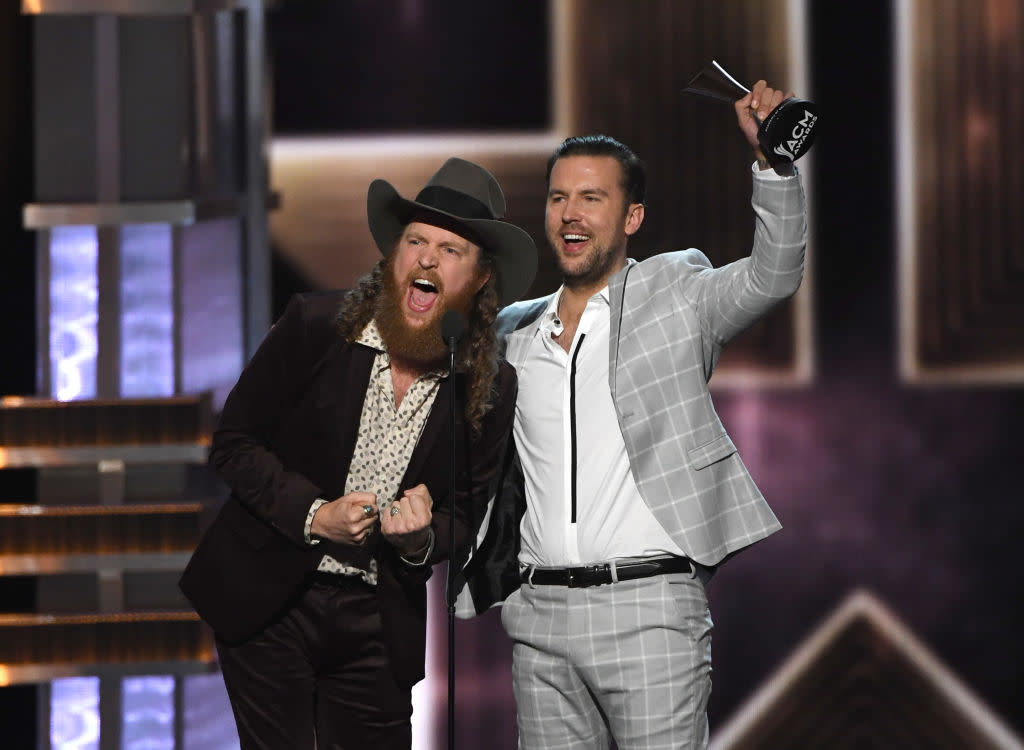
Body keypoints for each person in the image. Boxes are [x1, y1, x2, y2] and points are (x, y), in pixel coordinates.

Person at [459, 81, 808, 748]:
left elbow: (774, 274)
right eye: (560, 196)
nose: (571, 213)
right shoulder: (513, 333)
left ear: (632, 218)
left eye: (593, 197)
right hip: (538, 618)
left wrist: (774, 164)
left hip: (649, 610)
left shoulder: (678, 294)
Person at [179, 157, 537, 749]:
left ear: (479, 281)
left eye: (450, 251)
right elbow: (234, 442)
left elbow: (465, 517)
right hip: (272, 600)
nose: (426, 258)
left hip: (378, 618)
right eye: (415, 241)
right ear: (393, 257)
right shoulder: (316, 327)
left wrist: (421, 539)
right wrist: (315, 514)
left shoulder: (489, 389)